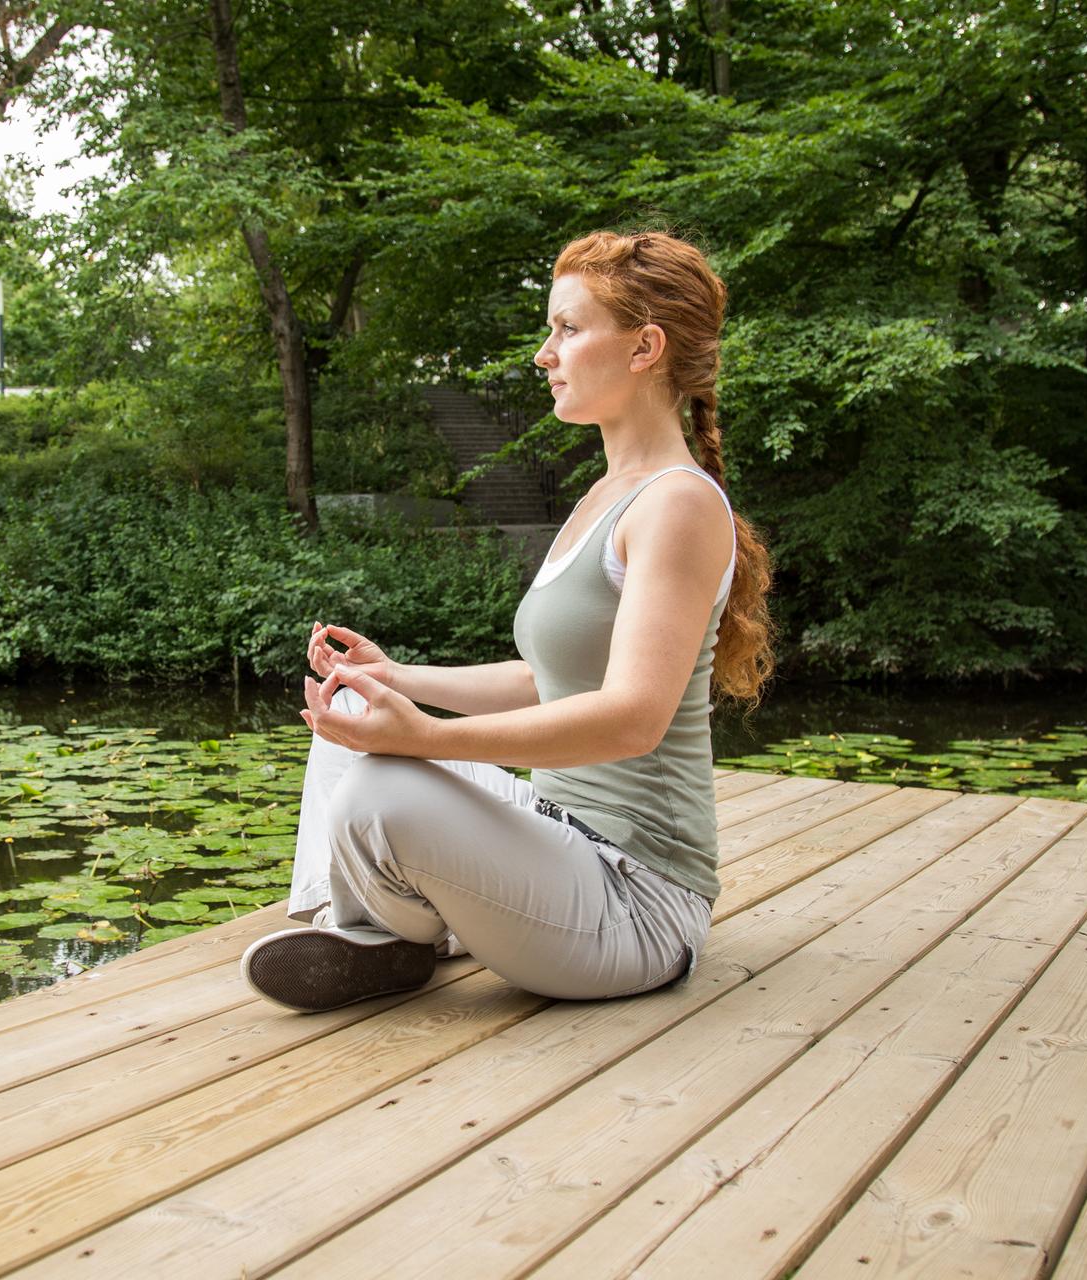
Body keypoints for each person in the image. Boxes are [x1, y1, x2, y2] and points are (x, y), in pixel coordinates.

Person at [240, 228, 776, 1013]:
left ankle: (394, 931)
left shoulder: (678, 504)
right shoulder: (604, 495)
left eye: (568, 328)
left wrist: (425, 738)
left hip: (636, 902)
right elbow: (544, 680)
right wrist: (393, 681)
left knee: (377, 795)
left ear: (644, 348)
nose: (543, 353)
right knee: (349, 720)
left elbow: (631, 721)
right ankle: (383, 935)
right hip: (556, 837)